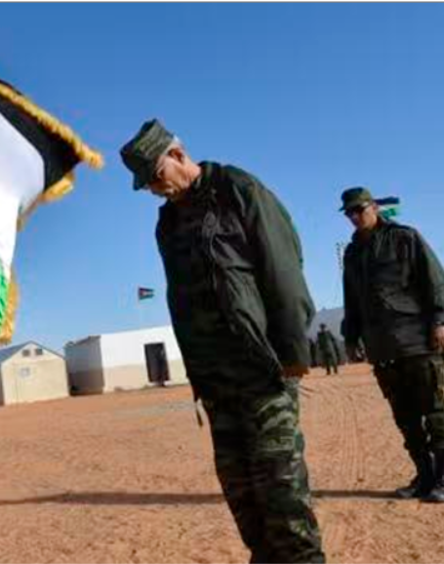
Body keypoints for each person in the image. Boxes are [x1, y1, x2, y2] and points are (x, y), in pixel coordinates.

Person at [121, 119, 324, 562]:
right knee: (242, 493)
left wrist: (292, 351)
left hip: (261, 370)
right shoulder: (168, 222)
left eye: (156, 177)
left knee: (282, 494)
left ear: (177, 155)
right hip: (215, 380)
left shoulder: (238, 189)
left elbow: (283, 269)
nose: (156, 189)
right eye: (147, 185)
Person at [340, 187, 444, 503]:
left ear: (374, 207)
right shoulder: (352, 253)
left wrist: (439, 320)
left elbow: (434, 279)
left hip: (416, 339)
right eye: (349, 212)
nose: (354, 216)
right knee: (404, 416)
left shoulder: (404, 237)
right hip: (381, 347)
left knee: (432, 410)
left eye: (359, 209)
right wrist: (351, 337)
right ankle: (424, 474)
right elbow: (352, 300)